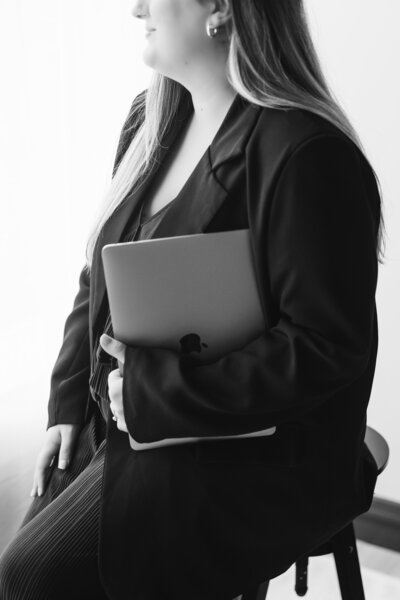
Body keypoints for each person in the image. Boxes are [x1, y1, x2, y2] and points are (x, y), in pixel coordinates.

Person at [0, 0, 385, 599]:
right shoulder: (147, 120)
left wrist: (153, 395)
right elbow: (99, 266)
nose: (135, 9)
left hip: (254, 449)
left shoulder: (308, 155)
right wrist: (68, 401)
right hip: (139, 421)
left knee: (29, 580)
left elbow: (325, 349)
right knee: (21, 558)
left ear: (222, 8)